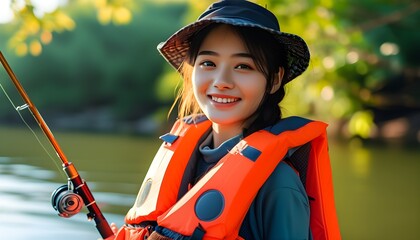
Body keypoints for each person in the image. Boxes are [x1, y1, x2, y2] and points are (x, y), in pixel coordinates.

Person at [111, 0, 340, 239]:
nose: (222, 81)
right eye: (208, 63)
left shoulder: (278, 184)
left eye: (243, 66)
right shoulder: (185, 159)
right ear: (192, 72)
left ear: (274, 80)